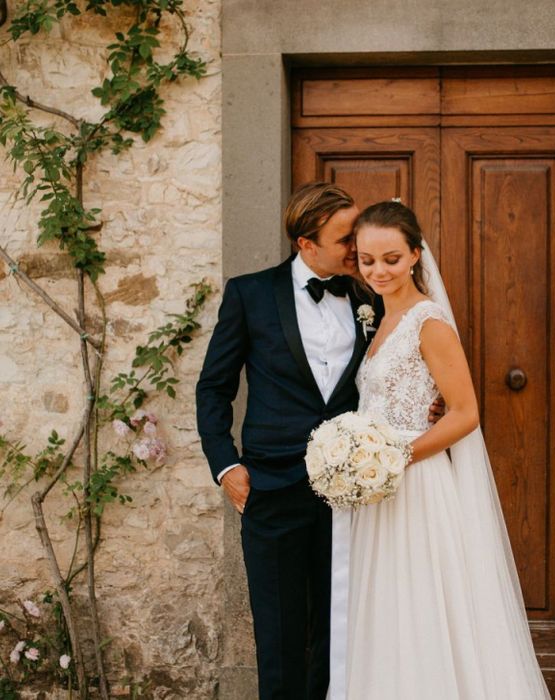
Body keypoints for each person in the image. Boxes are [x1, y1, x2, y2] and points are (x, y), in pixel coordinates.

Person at [339, 201, 552, 699]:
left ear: (415, 255)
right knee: (390, 611)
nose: (378, 270)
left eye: (391, 258)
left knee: (422, 607)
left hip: (416, 485)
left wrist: (395, 458)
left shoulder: (426, 321)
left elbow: (464, 413)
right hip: (379, 492)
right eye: (368, 260)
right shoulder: (377, 321)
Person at [196, 182, 366, 700]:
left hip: (351, 494)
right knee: (280, 633)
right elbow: (214, 387)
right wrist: (227, 467)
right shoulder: (250, 293)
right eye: (345, 238)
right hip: (271, 488)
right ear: (306, 243)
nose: (357, 247)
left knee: (340, 633)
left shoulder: (369, 295)